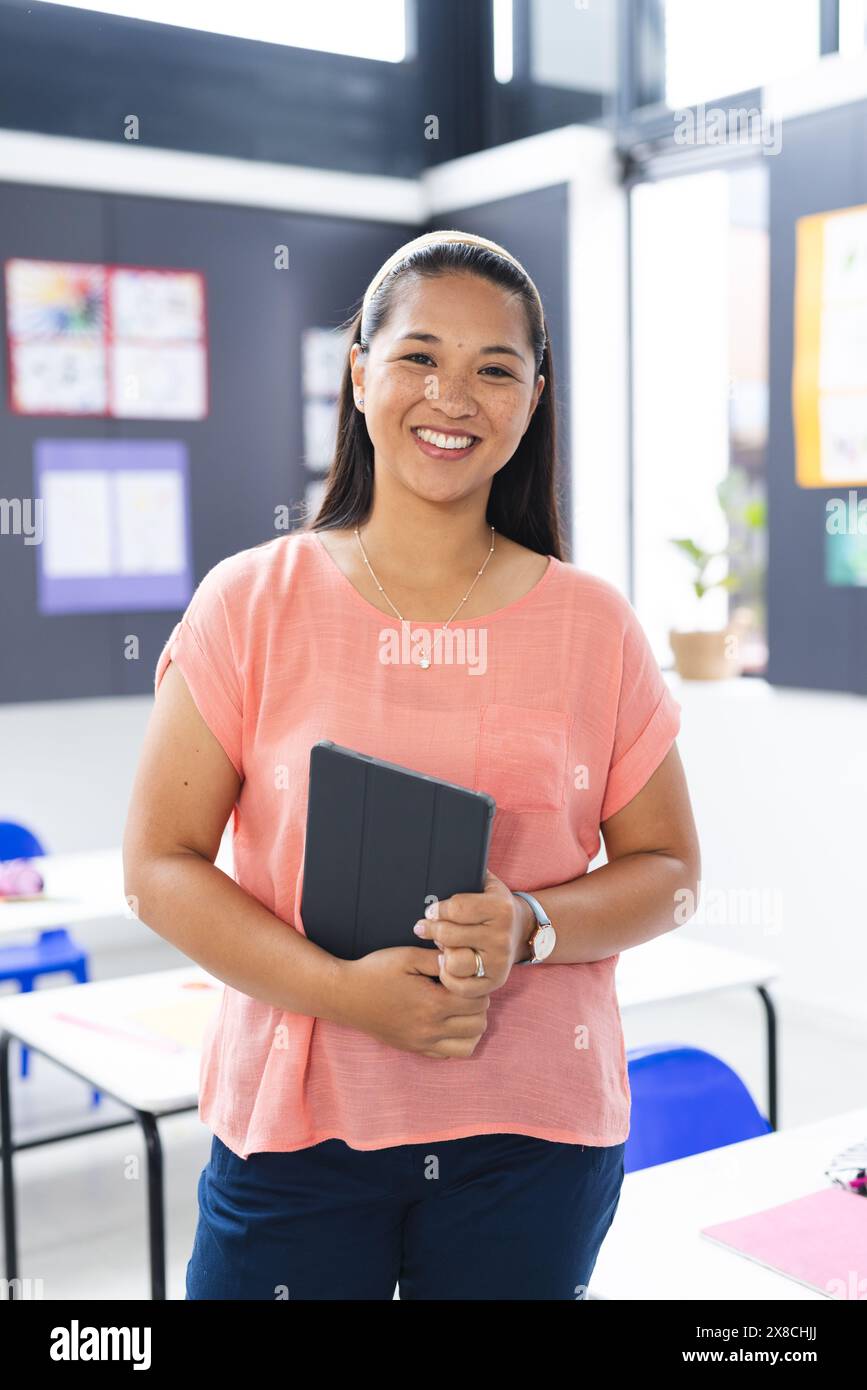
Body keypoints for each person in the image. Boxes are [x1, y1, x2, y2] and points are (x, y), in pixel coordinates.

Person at [123, 229, 701, 1300]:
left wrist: (533, 921)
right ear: (359, 371)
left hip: (533, 1135)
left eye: (496, 368)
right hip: (296, 1134)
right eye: (419, 356)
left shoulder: (595, 624)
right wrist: (346, 994)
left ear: (533, 398)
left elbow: (671, 874)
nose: (454, 395)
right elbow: (160, 864)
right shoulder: (251, 601)